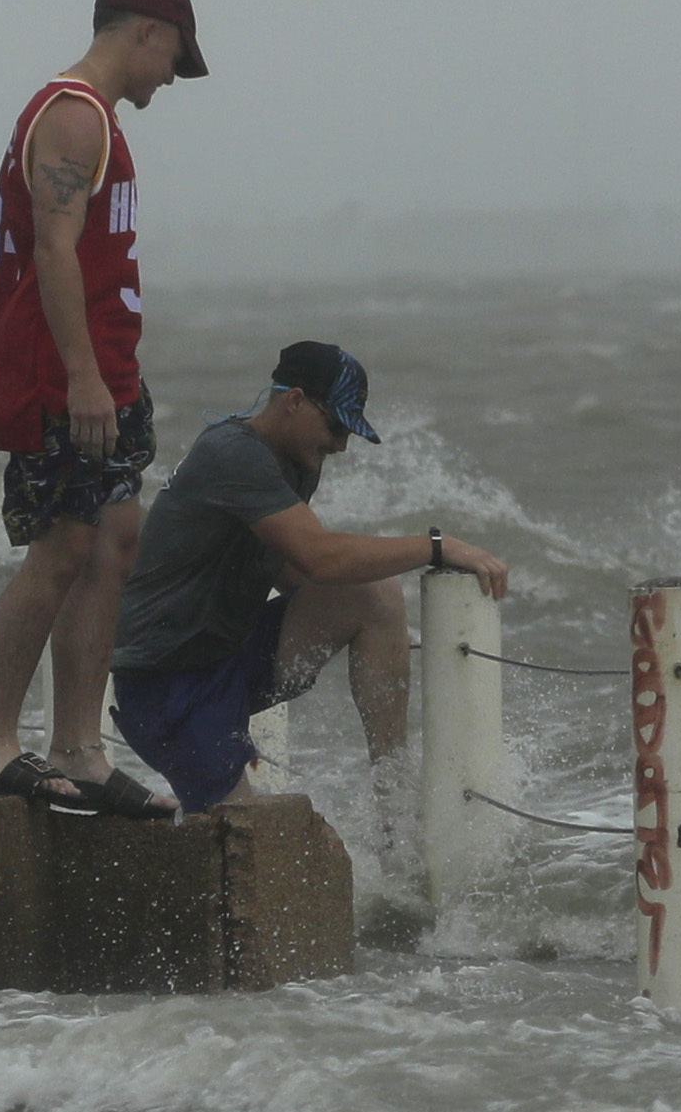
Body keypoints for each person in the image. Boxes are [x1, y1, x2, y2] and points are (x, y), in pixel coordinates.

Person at [0, 0, 206, 818]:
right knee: (62, 545)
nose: (171, 77)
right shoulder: (72, 115)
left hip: (108, 373)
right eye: (174, 56)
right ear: (145, 32)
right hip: (67, 379)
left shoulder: (98, 123)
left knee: (114, 541)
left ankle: (79, 749)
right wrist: (85, 379)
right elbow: (54, 254)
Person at [108, 340, 513, 815]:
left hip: (231, 654)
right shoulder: (232, 454)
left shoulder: (298, 462)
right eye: (336, 426)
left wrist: (360, 638)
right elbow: (319, 557)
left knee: (372, 595)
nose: (341, 445)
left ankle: (395, 803)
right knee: (248, 839)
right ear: (295, 401)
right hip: (167, 682)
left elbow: (295, 569)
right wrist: (439, 546)